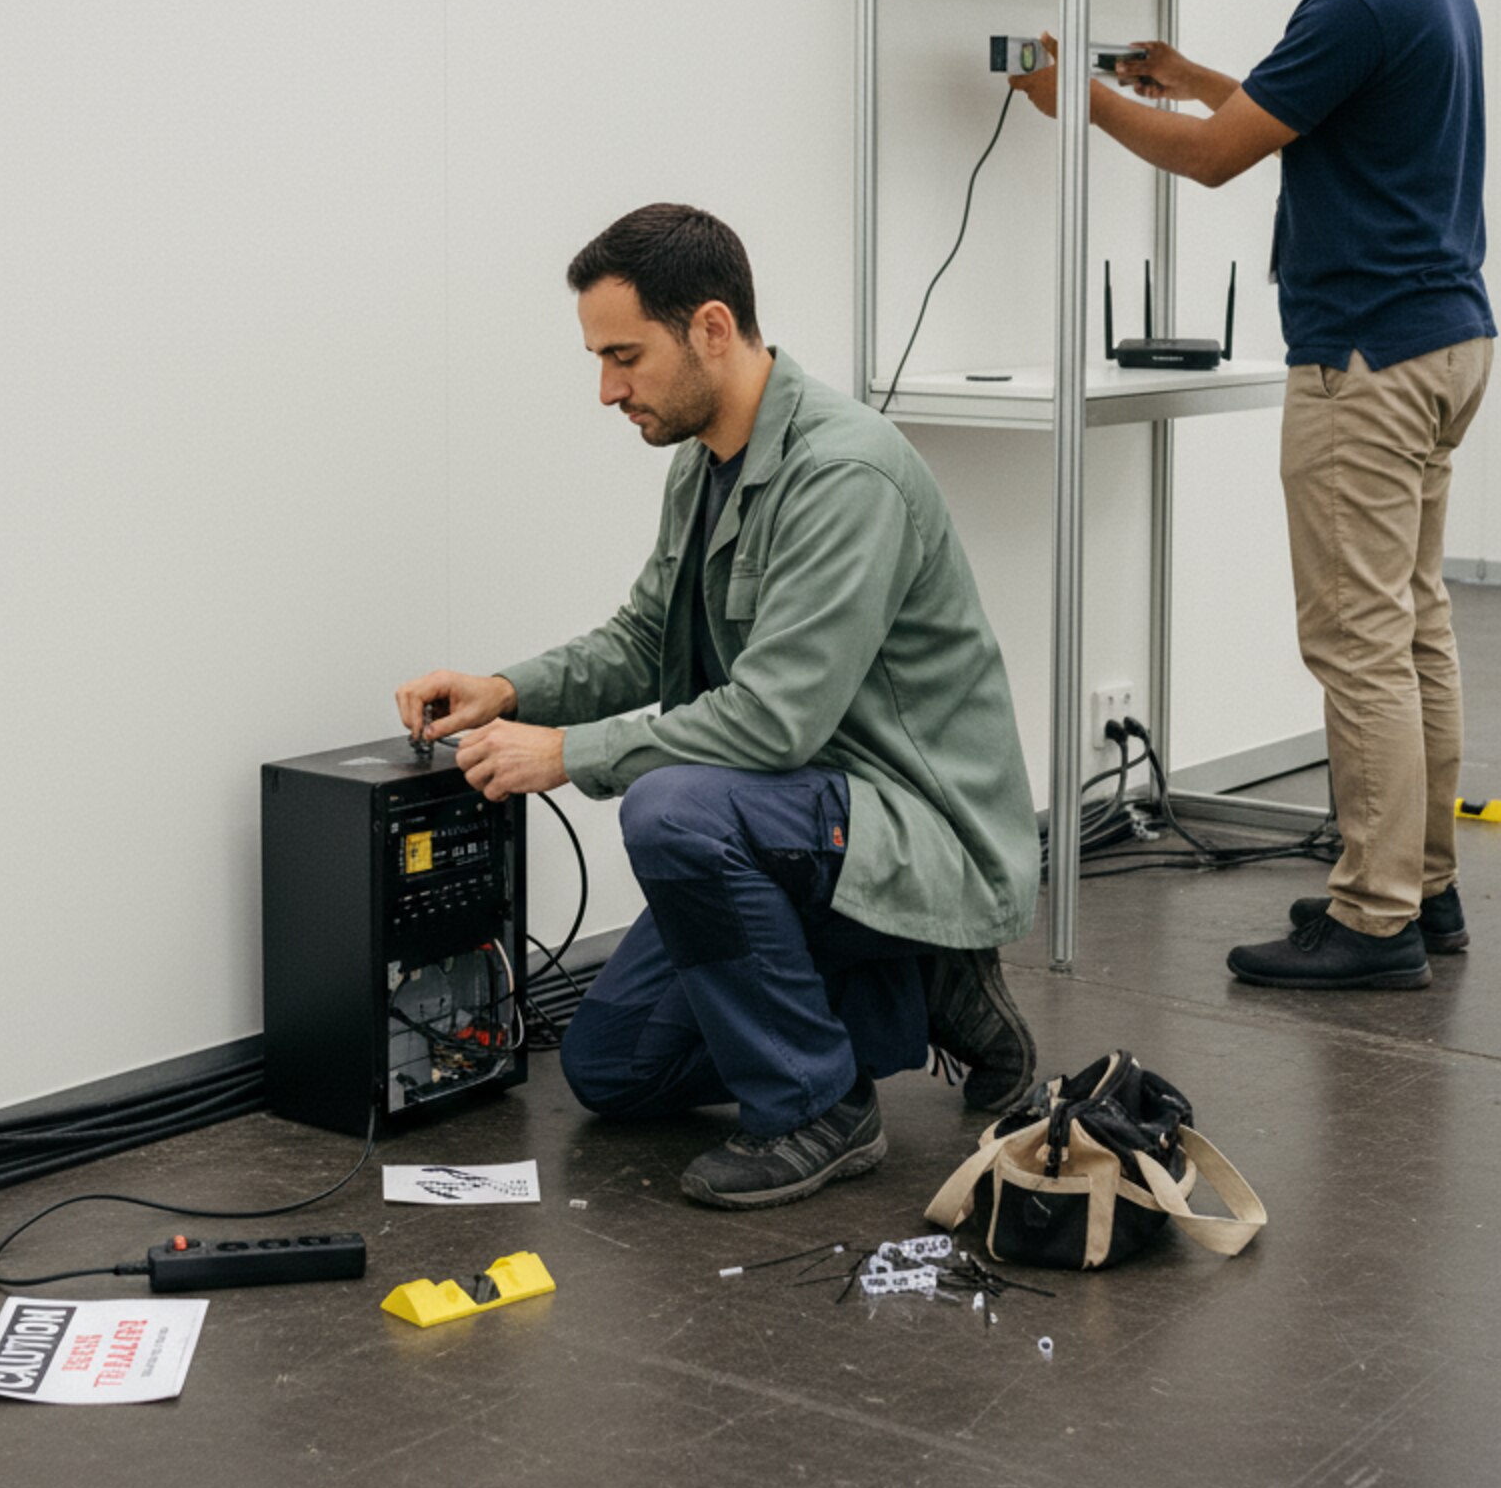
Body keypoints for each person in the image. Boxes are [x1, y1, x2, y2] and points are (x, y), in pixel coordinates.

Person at [396, 205, 1040, 1209]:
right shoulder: (702, 464)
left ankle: (819, 1106)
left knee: (673, 809)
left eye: (624, 357)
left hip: (912, 825)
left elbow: (774, 722)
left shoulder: (846, 472)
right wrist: (508, 689)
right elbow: (643, 637)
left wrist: (566, 752)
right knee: (611, 1069)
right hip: (801, 815)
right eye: (599, 360)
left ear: (709, 327)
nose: (608, 390)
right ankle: (917, 985)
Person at [1007, 0, 1494, 991]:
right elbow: (1296, 112)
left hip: (1364, 357)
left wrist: (1080, 102)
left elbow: (1217, 159)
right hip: (1444, 340)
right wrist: (1188, 80)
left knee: (1357, 643)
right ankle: (1422, 884)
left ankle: (1372, 918)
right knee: (1410, 629)